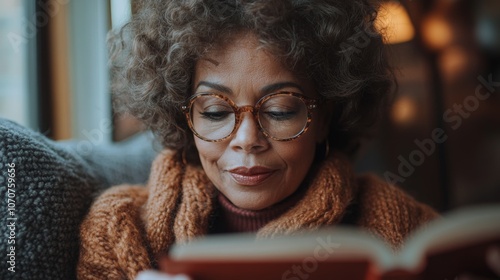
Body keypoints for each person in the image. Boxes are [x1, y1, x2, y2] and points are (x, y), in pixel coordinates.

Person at [76, 1, 499, 279]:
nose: (246, 140)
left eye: (280, 110)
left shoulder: (406, 230)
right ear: (184, 118)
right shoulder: (120, 230)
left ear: (325, 115)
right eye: (216, 112)